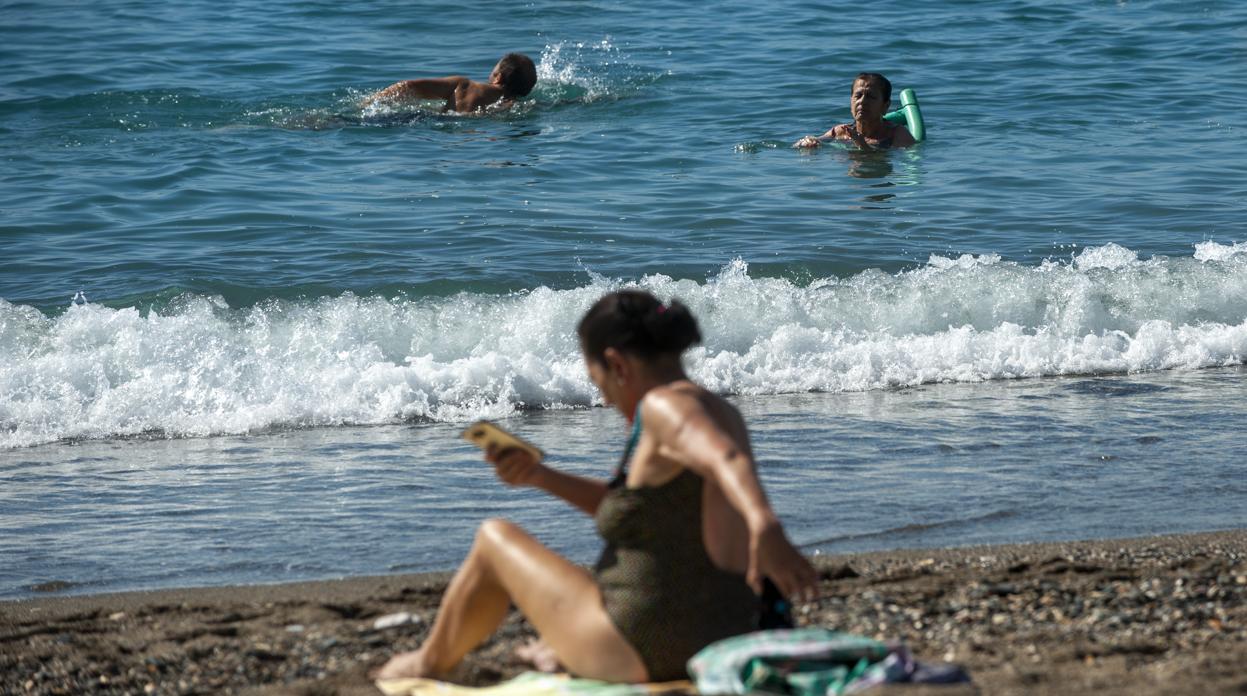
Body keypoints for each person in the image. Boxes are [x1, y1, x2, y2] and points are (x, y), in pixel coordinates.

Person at [375, 290, 818, 683]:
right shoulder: (715, 407)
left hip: (653, 647)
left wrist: (765, 524)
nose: (604, 399)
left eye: (598, 382)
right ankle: (560, 649)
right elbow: (643, 510)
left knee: (495, 538)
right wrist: (539, 476)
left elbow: (727, 459)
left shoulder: (665, 406)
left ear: (616, 364)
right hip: (725, 631)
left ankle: (427, 663)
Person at [362, 53, 537, 113]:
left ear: (497, 77)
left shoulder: (465, 85)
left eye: (492, 72)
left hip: (424, 121)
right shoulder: (514, 105)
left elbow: (410, 86)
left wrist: (370, 102)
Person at [794, 72, 915, 150]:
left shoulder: (897, 134)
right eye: (858, 96)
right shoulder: (840, 132)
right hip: (852, 184)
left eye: (871, 97)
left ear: (885, 106)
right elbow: (813, 141)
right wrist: (809, 142)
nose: (862, 101)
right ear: (851, 101)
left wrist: (863, 146)